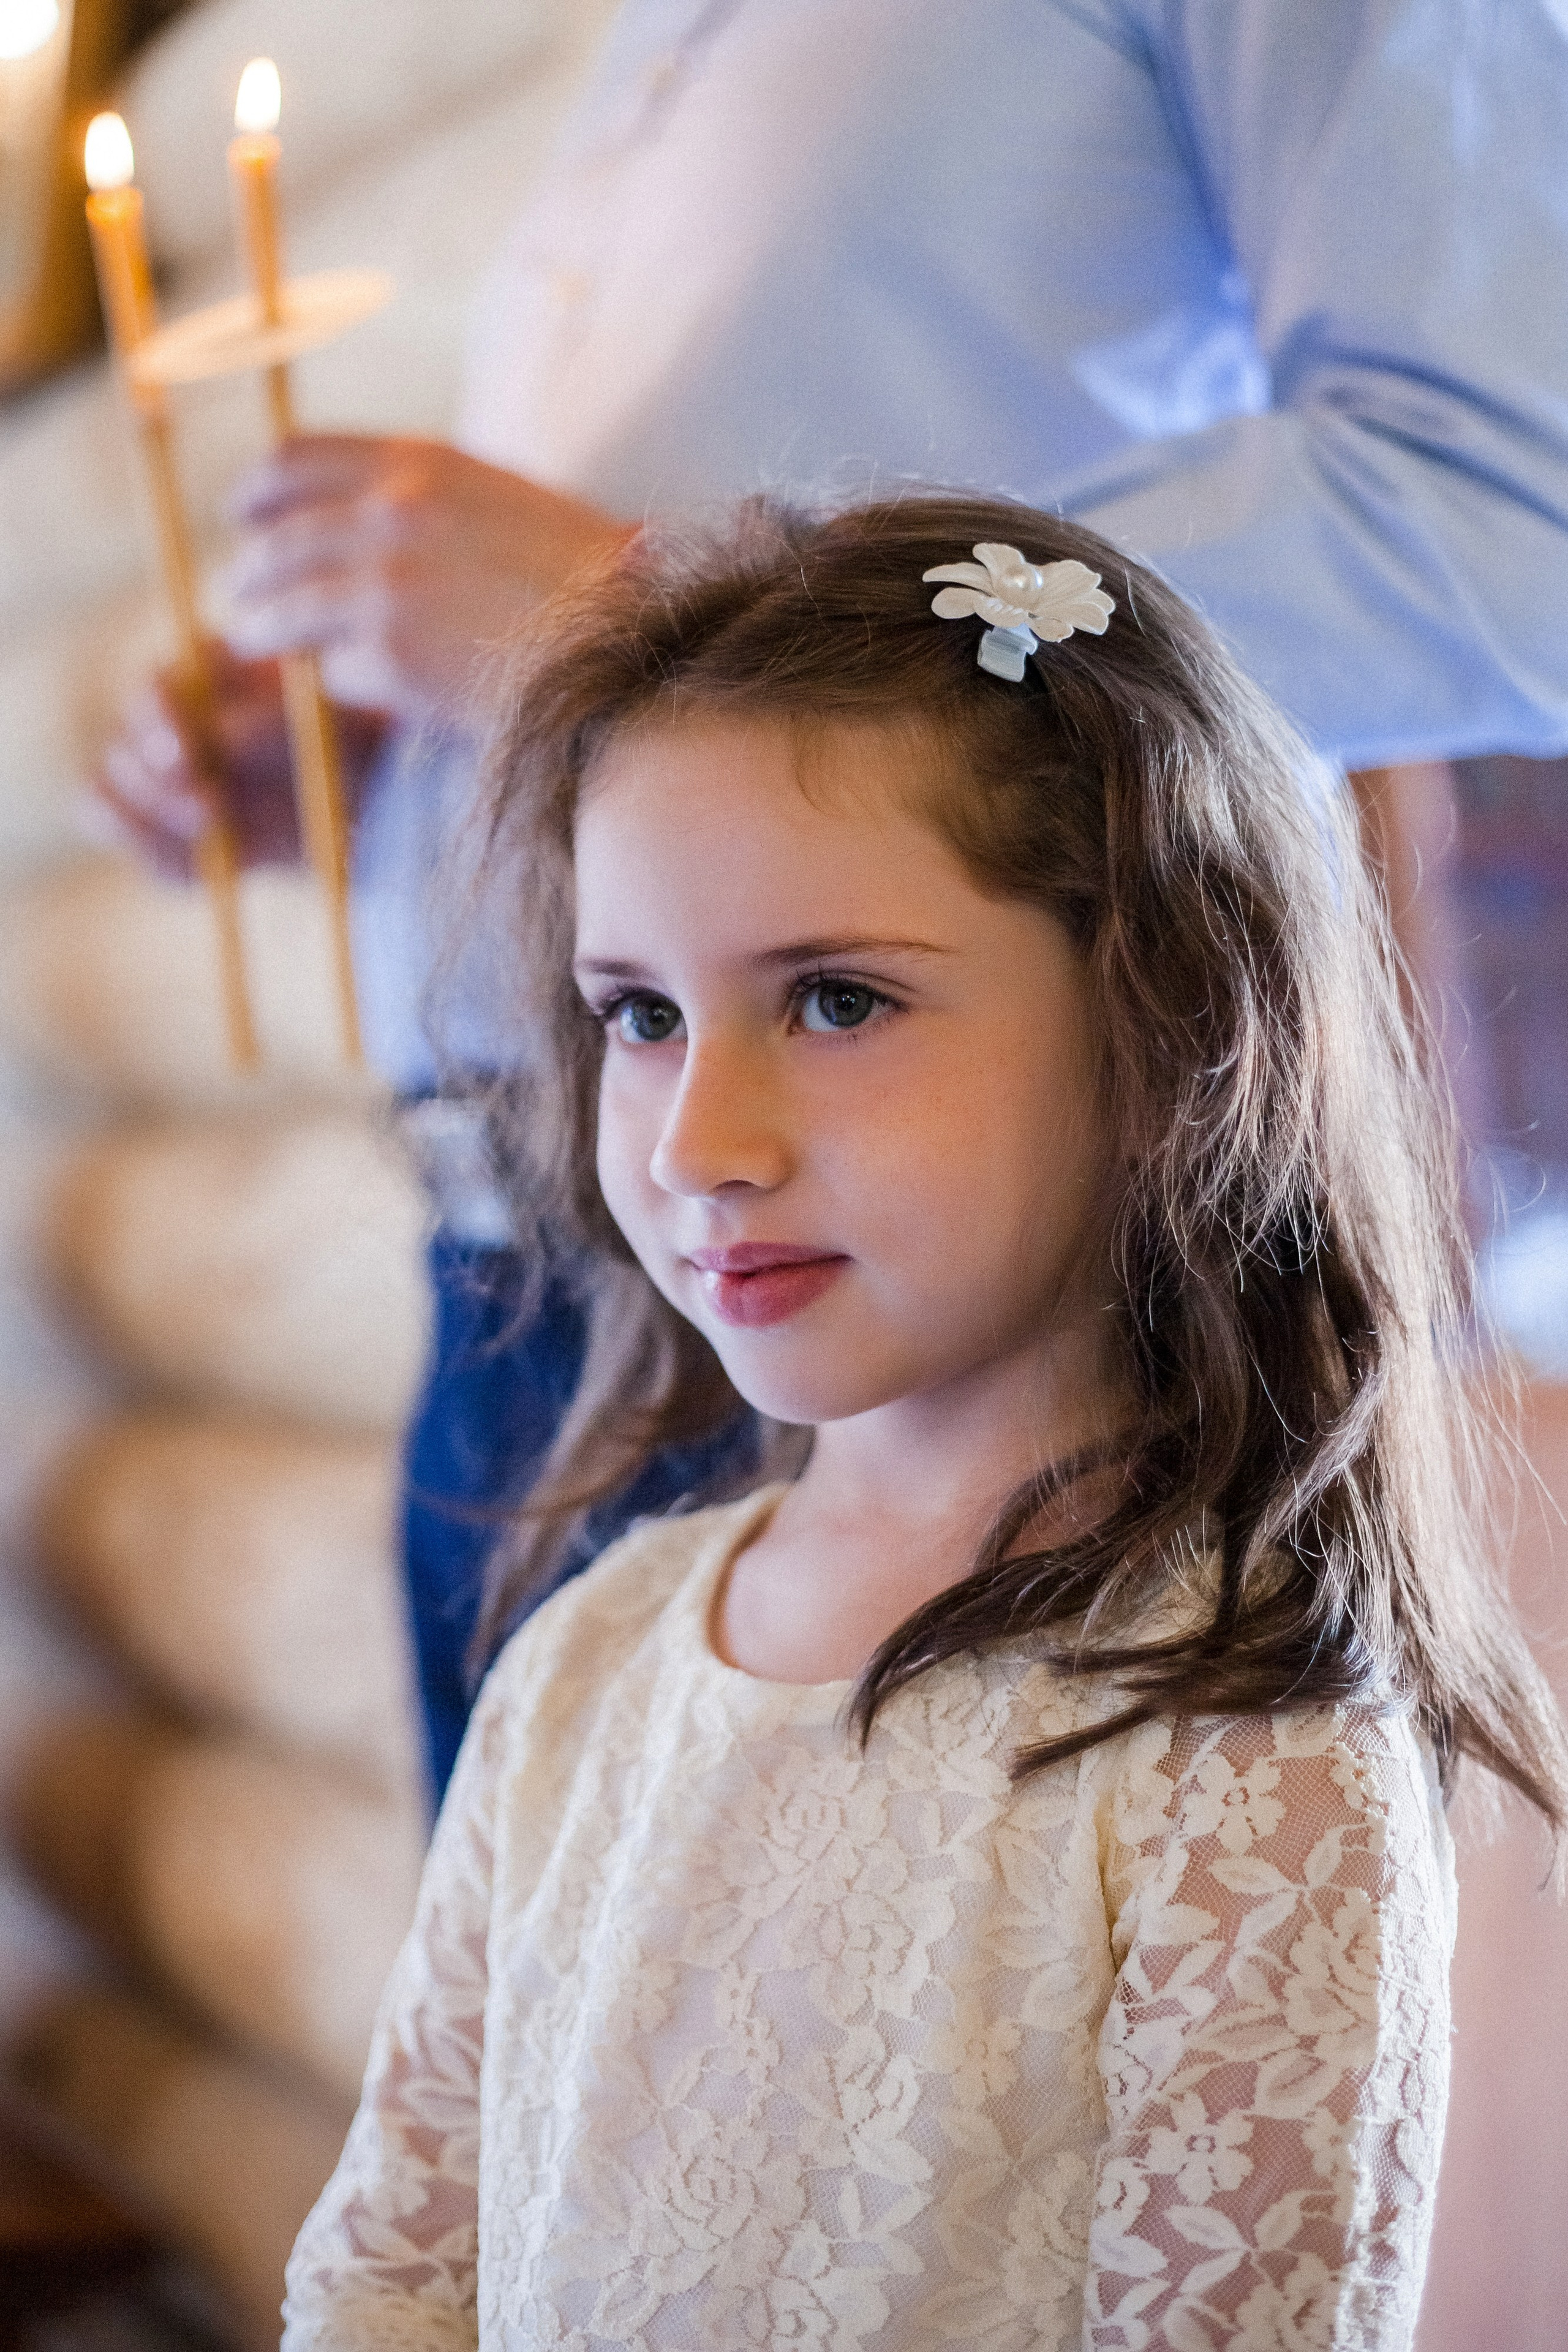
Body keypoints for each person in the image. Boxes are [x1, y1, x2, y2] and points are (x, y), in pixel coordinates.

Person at [91, 0, 1568, 1800]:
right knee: (536, 2049)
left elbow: (1518, 518)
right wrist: (423, 736)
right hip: (532, 1261)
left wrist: (634, 601)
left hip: (909, 1299)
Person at [277, 494, 1568, 2350]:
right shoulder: (593, 1664)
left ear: (1163, 1026)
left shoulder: (1242, 1740)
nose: (701, 1144)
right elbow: (393, 2280)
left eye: (835, 998)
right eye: (638, 1014)